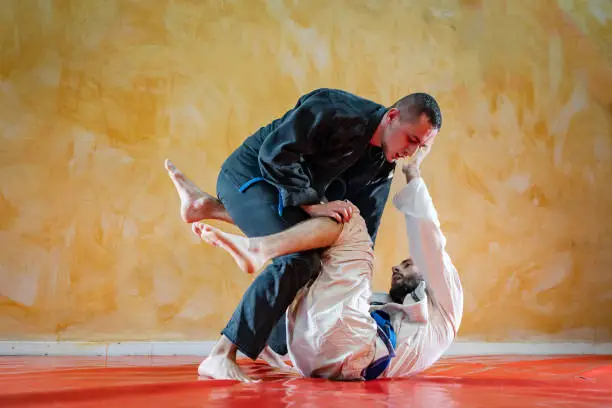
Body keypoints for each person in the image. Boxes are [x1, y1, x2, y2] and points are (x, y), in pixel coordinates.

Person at [165, 88, 442, 381]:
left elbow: (361, 232)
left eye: (421, 147)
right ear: (393, 116)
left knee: (315, 262)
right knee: (299, 258)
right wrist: (310, 204)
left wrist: (356, 290)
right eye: (411, 139)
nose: (410, 152)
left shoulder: (381, 166)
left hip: (284, 198)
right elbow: (274, 152)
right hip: (249, 178)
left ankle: (208, 209)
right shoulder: (337, 109)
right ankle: (221, 354)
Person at [192, 143, 464, 380]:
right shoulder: (409, 324)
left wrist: (412, 170)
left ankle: (255, 244)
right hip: (315, 358)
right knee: (314, 249)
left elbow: (430, 241)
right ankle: (215, 210)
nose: (397, 266)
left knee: (349, 220)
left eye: (407, 264)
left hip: (346, 349)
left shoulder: (447, 304)